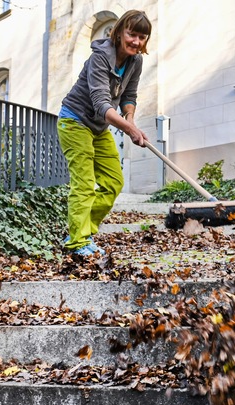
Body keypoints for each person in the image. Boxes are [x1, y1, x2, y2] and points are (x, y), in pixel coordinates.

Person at [57, 10, 151, 256]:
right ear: (119, 32)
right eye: (132, 34)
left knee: (113, 182)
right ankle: (77, 242)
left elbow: (128, 97)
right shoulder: (99, 58)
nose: (136, 42)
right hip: (75, 121)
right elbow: (100, 102)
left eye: (142, 37)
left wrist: (130, 119)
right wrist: (130, 129)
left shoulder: (135, 61)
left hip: (98, 128)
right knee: (84, 184)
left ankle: (81, 231)